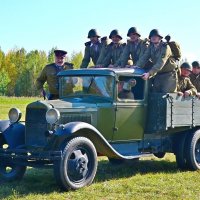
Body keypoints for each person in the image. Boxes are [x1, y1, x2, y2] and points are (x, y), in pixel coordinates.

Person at [136, 29, 178, 93]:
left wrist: (149, 73)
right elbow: (144, 57)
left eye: (156, 36)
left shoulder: (165, 47)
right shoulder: (151, 47)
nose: (153, 38)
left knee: (167, 96)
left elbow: (161, 62)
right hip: (158, 74)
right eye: (152, 36)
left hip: (169, 75)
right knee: (155, 94)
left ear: (160, 38)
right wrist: (136, 66)